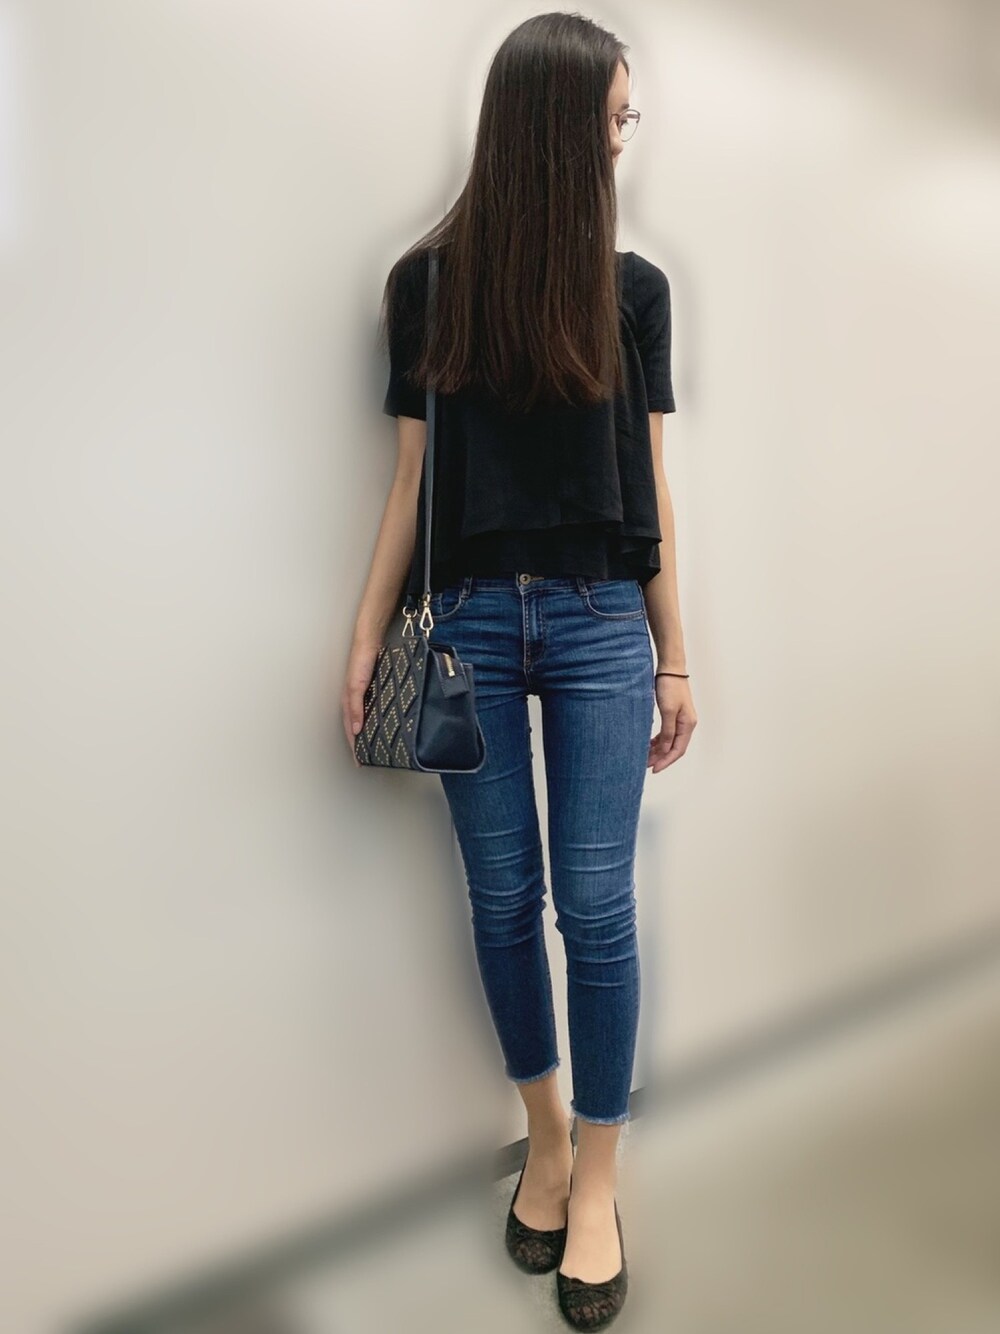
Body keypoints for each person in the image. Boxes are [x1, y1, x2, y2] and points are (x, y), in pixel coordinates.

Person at [340, 13, 697, 1330]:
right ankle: (544, 1138)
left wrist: (676, 653)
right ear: (553, 125)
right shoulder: (427, 287)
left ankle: (598, 1178)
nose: (624, 137)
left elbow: (649, 486)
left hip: (603, 623)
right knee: (503, 901)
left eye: (628, 116)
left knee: (594, 909)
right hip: (470, 630)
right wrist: (365, 636)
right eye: (612, 115)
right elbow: (410, 484)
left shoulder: (635, 292)